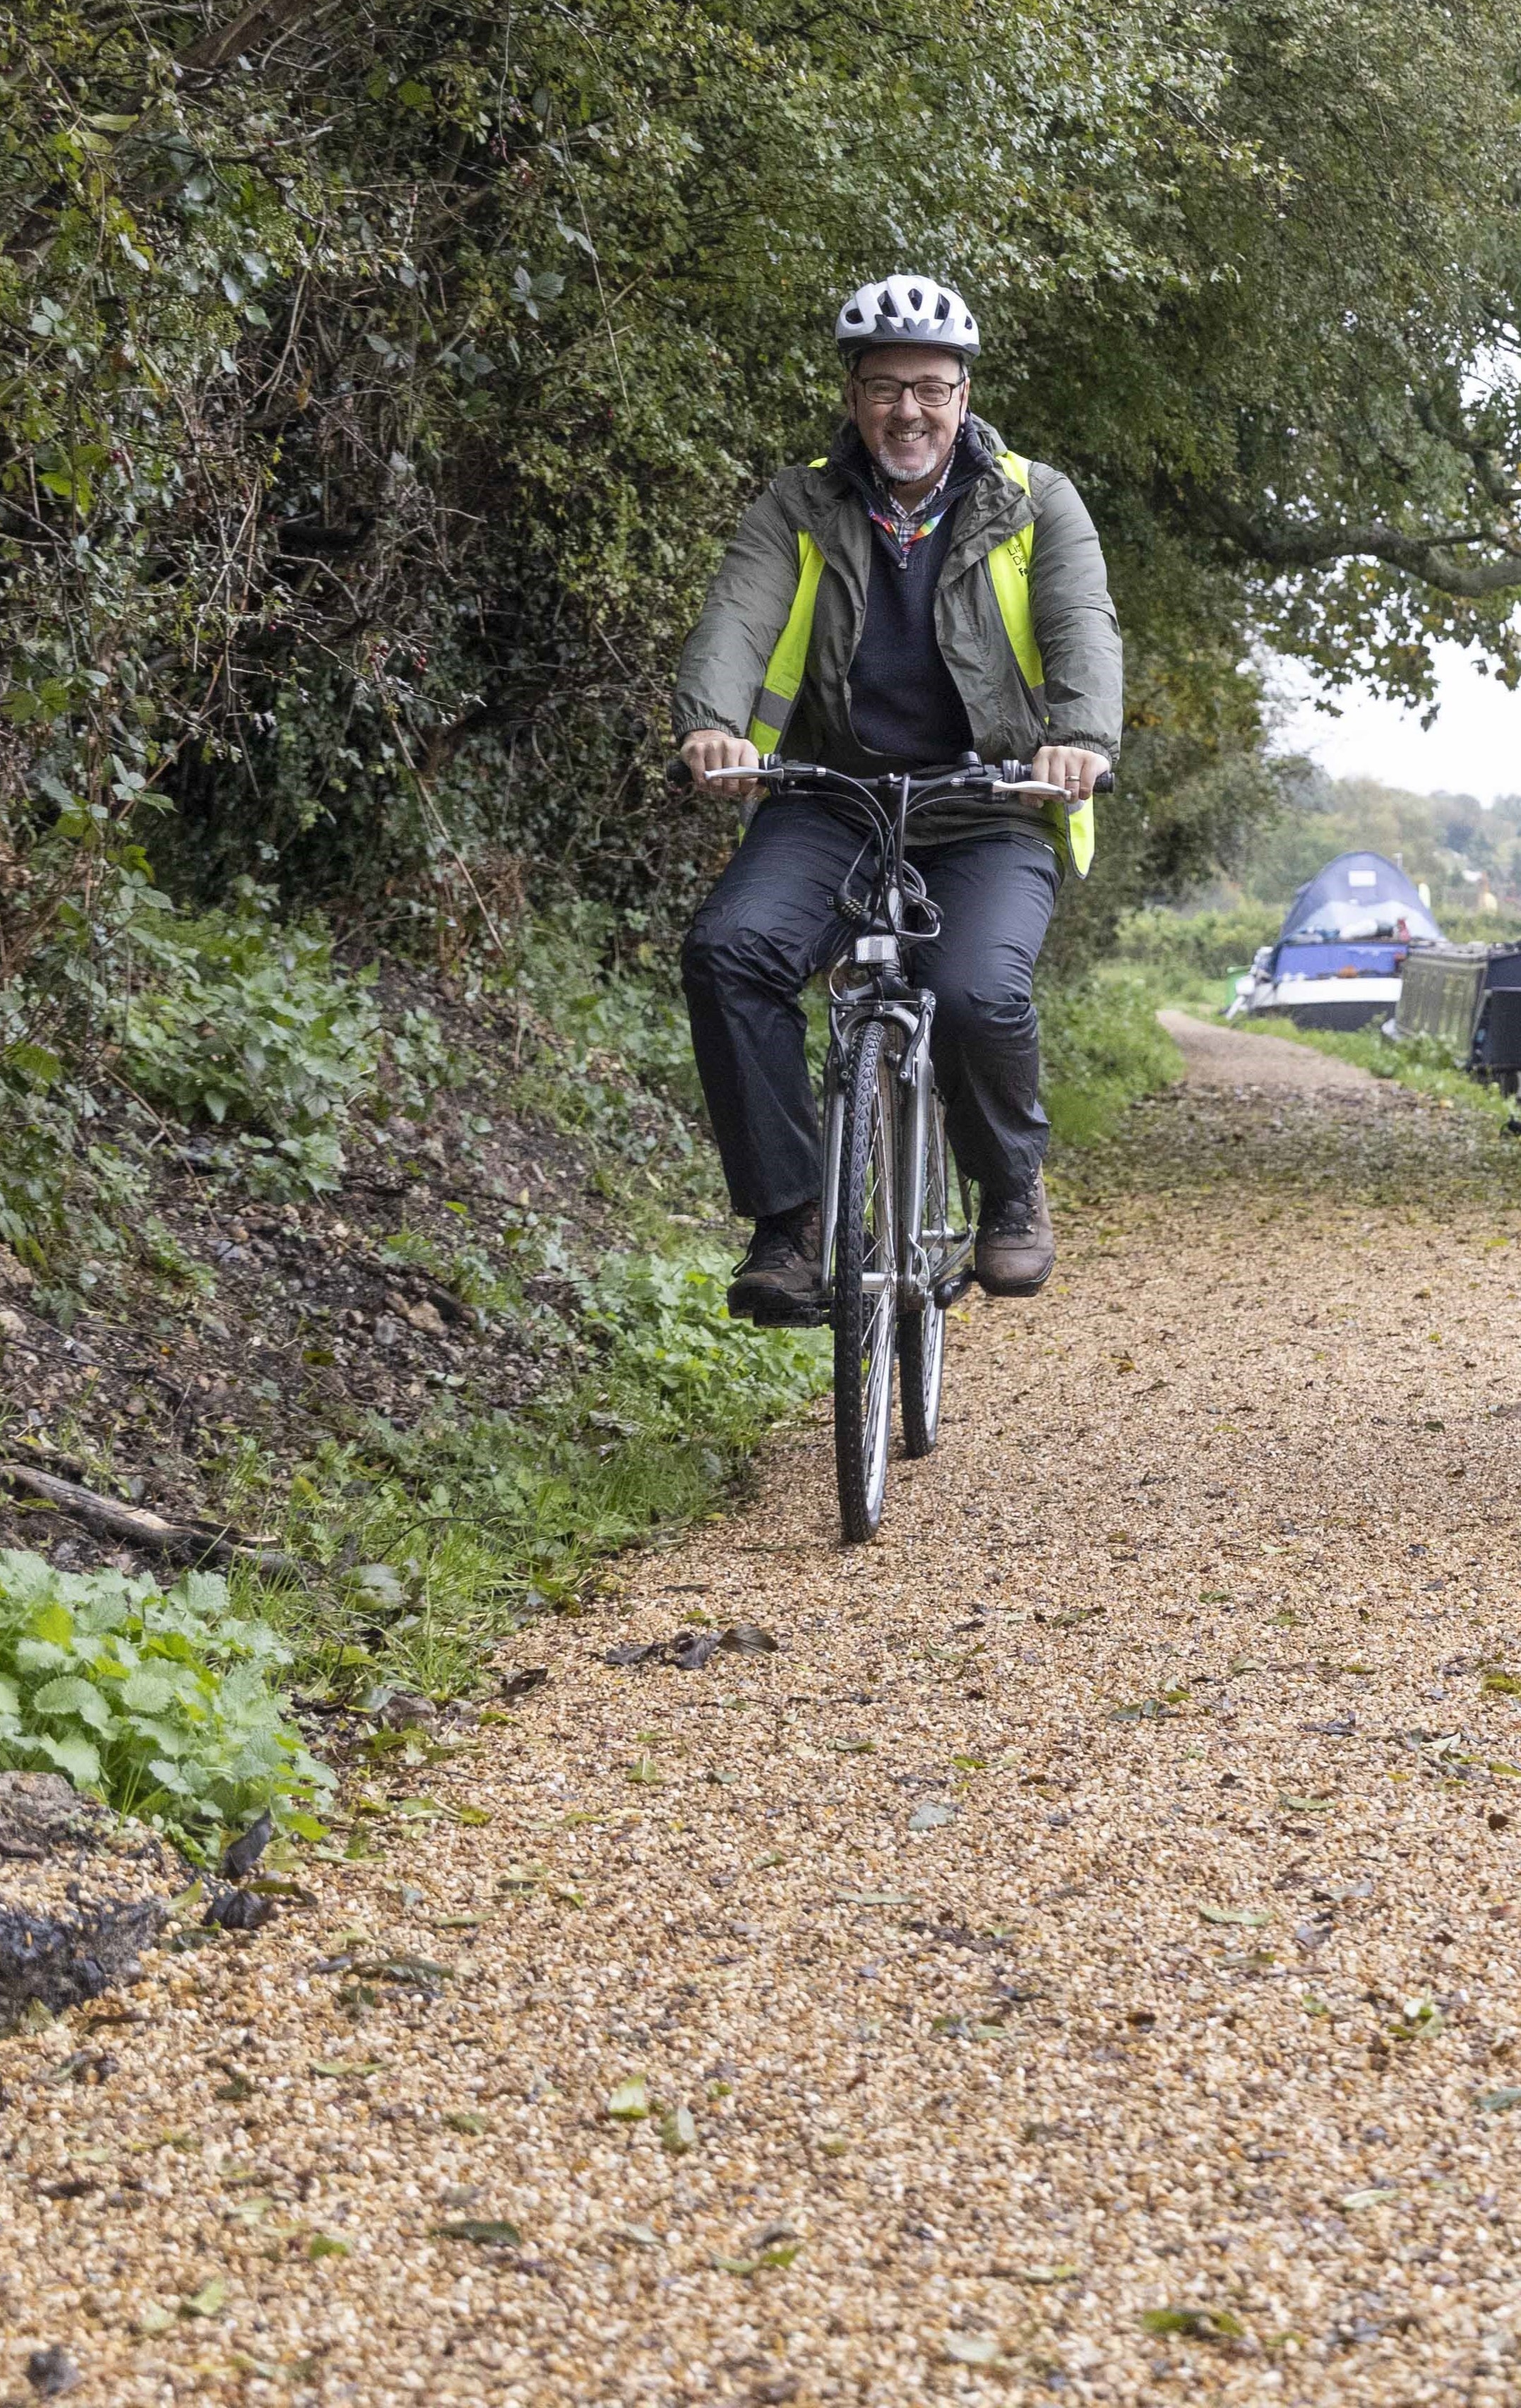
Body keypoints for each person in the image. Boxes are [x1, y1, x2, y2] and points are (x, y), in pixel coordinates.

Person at [675, 273, 1122, 1318]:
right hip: (831, 795)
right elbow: (737, 614)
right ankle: (787, 1221)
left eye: (928, 387)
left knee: (974, 993)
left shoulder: (1032, 498)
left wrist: (1079, 740)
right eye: (883, 387)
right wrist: (710, 721)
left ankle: (1008, 1190)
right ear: (851, 398)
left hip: (988, 803)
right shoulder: (797, 502)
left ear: (963, 395)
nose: (906, 411)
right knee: (727, 952)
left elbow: (1081, 626)